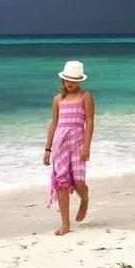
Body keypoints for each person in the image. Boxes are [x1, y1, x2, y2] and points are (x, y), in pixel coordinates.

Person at [43, 59, 94, 236]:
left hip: (78, 143)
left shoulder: (85, 97)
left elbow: (89, 122)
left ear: (80, 80)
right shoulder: (58, 99)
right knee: (61, 182)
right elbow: (53, 123)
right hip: (60, 144)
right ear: (63, 80)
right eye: (67, 80)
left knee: (79, 183)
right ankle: (65, 224)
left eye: (73, 80)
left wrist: (87, 146)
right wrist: (48, 149)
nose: (70, 83)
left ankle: (84, 199)